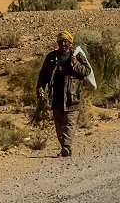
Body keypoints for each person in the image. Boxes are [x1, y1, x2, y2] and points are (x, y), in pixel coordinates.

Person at [36, 29, 91, 157]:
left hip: (73, 97)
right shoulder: (51, 57)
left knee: (69, 123)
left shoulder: (77, 56)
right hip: (56, 97)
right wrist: (40, 88)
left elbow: (86, 71)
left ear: (70, 42)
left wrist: (75, 64)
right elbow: (43, 74)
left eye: (65, 42)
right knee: (59, 125)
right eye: (60, 42)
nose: (63, 44)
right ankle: (63, 146)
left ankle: (66, 146)